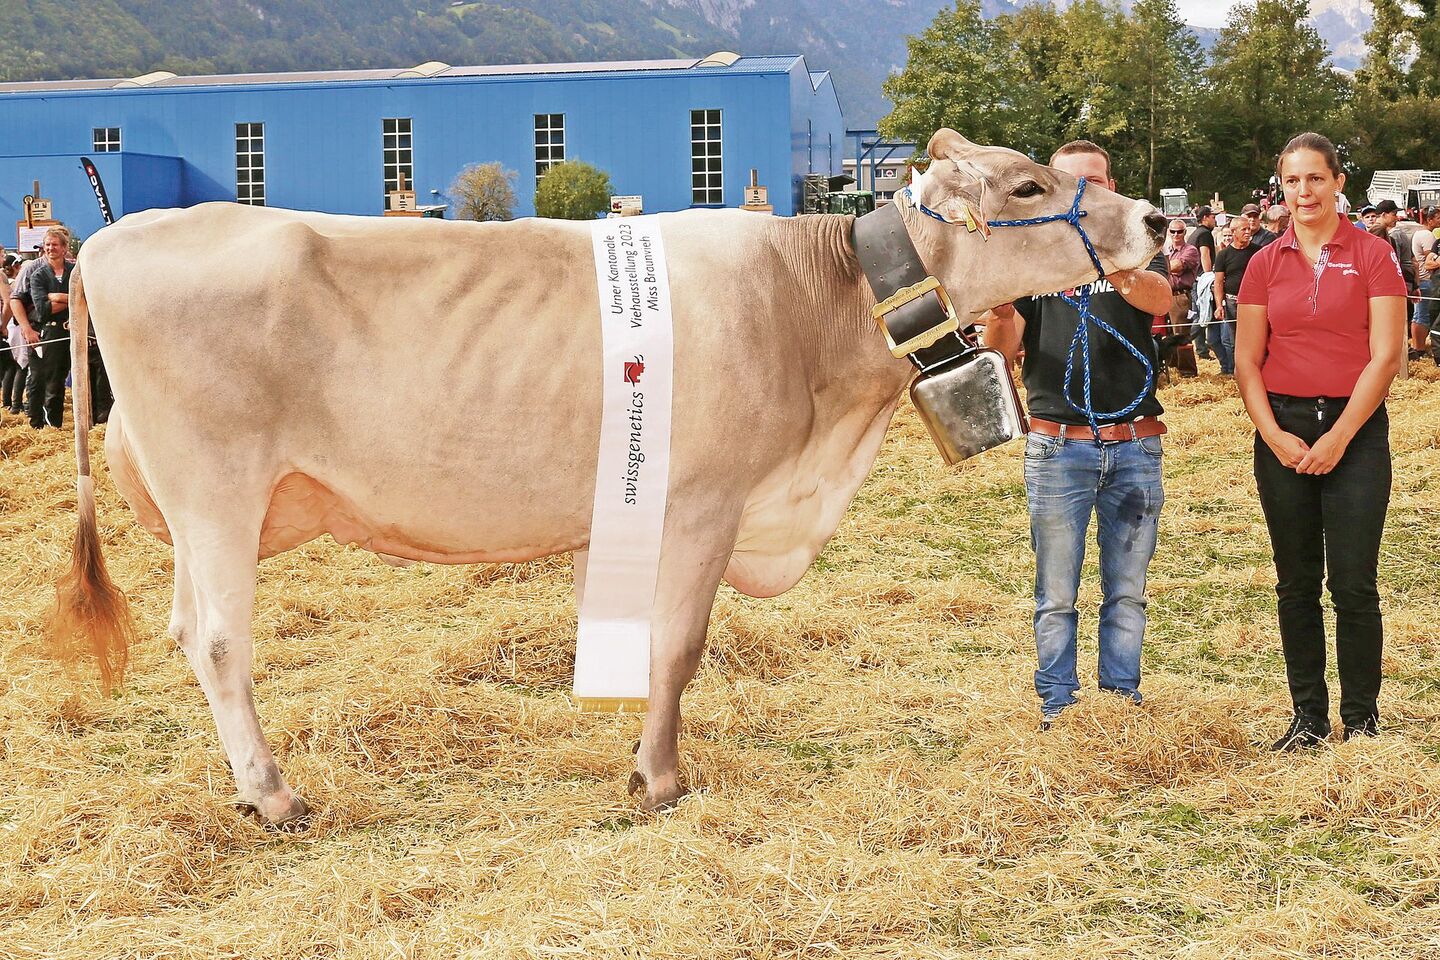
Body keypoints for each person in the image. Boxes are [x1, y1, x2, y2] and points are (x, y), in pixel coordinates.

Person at [982, 139, 1172, 729]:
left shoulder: (1135, 242)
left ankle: (1119, 702)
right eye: (1071, 181)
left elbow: (1161, 299)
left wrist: (1109, 261)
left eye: (1095, 180)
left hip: (1134, 443)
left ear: (1111, 186)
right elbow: (1000, 350)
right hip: (1058, 446)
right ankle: (1058, 706)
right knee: (1056, 592)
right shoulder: (1034, 259)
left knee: (1128, 590)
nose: (1084, 190)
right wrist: (1001, 311)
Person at [1234, 132, 1407, 751]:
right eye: (1292, 181)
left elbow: (1387, 356)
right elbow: (1246, 361)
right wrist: (1273, 434)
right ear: (1280, 188)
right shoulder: (1263, 262)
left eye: (1315, 178)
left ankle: (1361, 719)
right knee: (1296, 582)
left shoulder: (1374, 254)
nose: (1303, 191)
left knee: (1354, 582)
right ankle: (1307, 717)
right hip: (1282, 428)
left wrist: (1339, 436)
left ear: (1338, 182)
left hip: (1354, 430)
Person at [22, 227, 74, 430]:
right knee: (52, 380)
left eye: (55, 244)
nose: (51, 248)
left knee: (65, 378)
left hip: (74, 330)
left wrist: (57, 297)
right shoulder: (38, 275)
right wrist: (73, 300)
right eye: (47, 245)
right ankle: (52, 424)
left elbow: (87, 297)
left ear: (64, 248)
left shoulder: (74, 272)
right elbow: (42, 310)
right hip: (51, 331)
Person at [1211, 217, 1259, 375]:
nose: (1248, 232)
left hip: (1254, 302)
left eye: (1249, 228)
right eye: (1243, 229)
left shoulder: (1258, 251)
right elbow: (1218, 283)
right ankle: (1237, 371)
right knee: (1234, 340)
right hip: (1232, 301)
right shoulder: (1223, 255)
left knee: (1256, 337)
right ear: (1233, 232)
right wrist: (1219, 306)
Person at [1162, 218, 1199, 375]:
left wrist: (1161, 266)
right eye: (1173, 231)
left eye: (1179, 231)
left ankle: (1187, 371)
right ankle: (1173, 364)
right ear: (1169, 233)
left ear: (1185, 232)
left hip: (1181, 296)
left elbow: (1177, 266)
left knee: (1181, 334)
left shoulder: (1191, 250)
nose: (1176, 234)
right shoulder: (1167, 250)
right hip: (1166, 295)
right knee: (1168, 333)